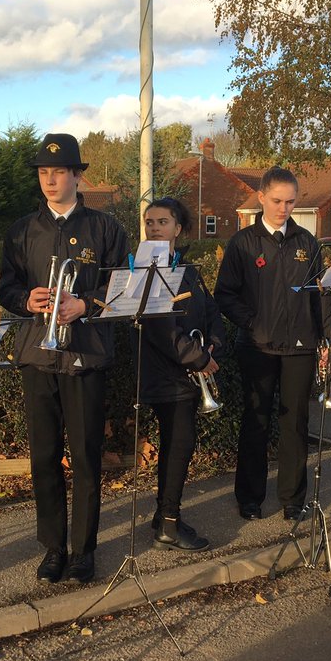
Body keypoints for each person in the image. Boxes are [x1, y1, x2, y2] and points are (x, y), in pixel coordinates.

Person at [0, 133, 129, 584]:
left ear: (77, 175)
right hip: (38, 354)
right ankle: (53, 548)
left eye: (58, 172)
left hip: (86, 355)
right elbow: (6, 287)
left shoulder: (107, 229)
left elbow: (122, 289)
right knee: (44, 457)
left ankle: (83, 550)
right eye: (43, 173)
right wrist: (25, 300)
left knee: (87, 457)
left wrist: (85, 305)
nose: (49, 180)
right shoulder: (21, 230)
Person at [214, 166, 331, 522]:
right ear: (263, 198)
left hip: (300, 347)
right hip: (257, 346)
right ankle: (250, 498)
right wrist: (253, 323)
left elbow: (321, 295)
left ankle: (292, 499)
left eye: (290, 202)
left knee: (295, 424)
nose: (284, 208)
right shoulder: (243, 243)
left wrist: (328, 337)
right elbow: (225, 295)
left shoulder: (307, 243)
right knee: (256, 422)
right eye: (277, 201)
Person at [139, 197, 226, 550]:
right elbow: (160, 328)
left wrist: (213, 346)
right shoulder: (144, 269)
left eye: (162, 222)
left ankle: (164, 517)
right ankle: (169, 526)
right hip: (166, 374)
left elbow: (211, 311)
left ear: (177, 229)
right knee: (178, 446)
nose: (155, 227)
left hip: (188, 373)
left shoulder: (186, 268)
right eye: (149, 222)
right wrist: (197, 358)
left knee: (180, 445)